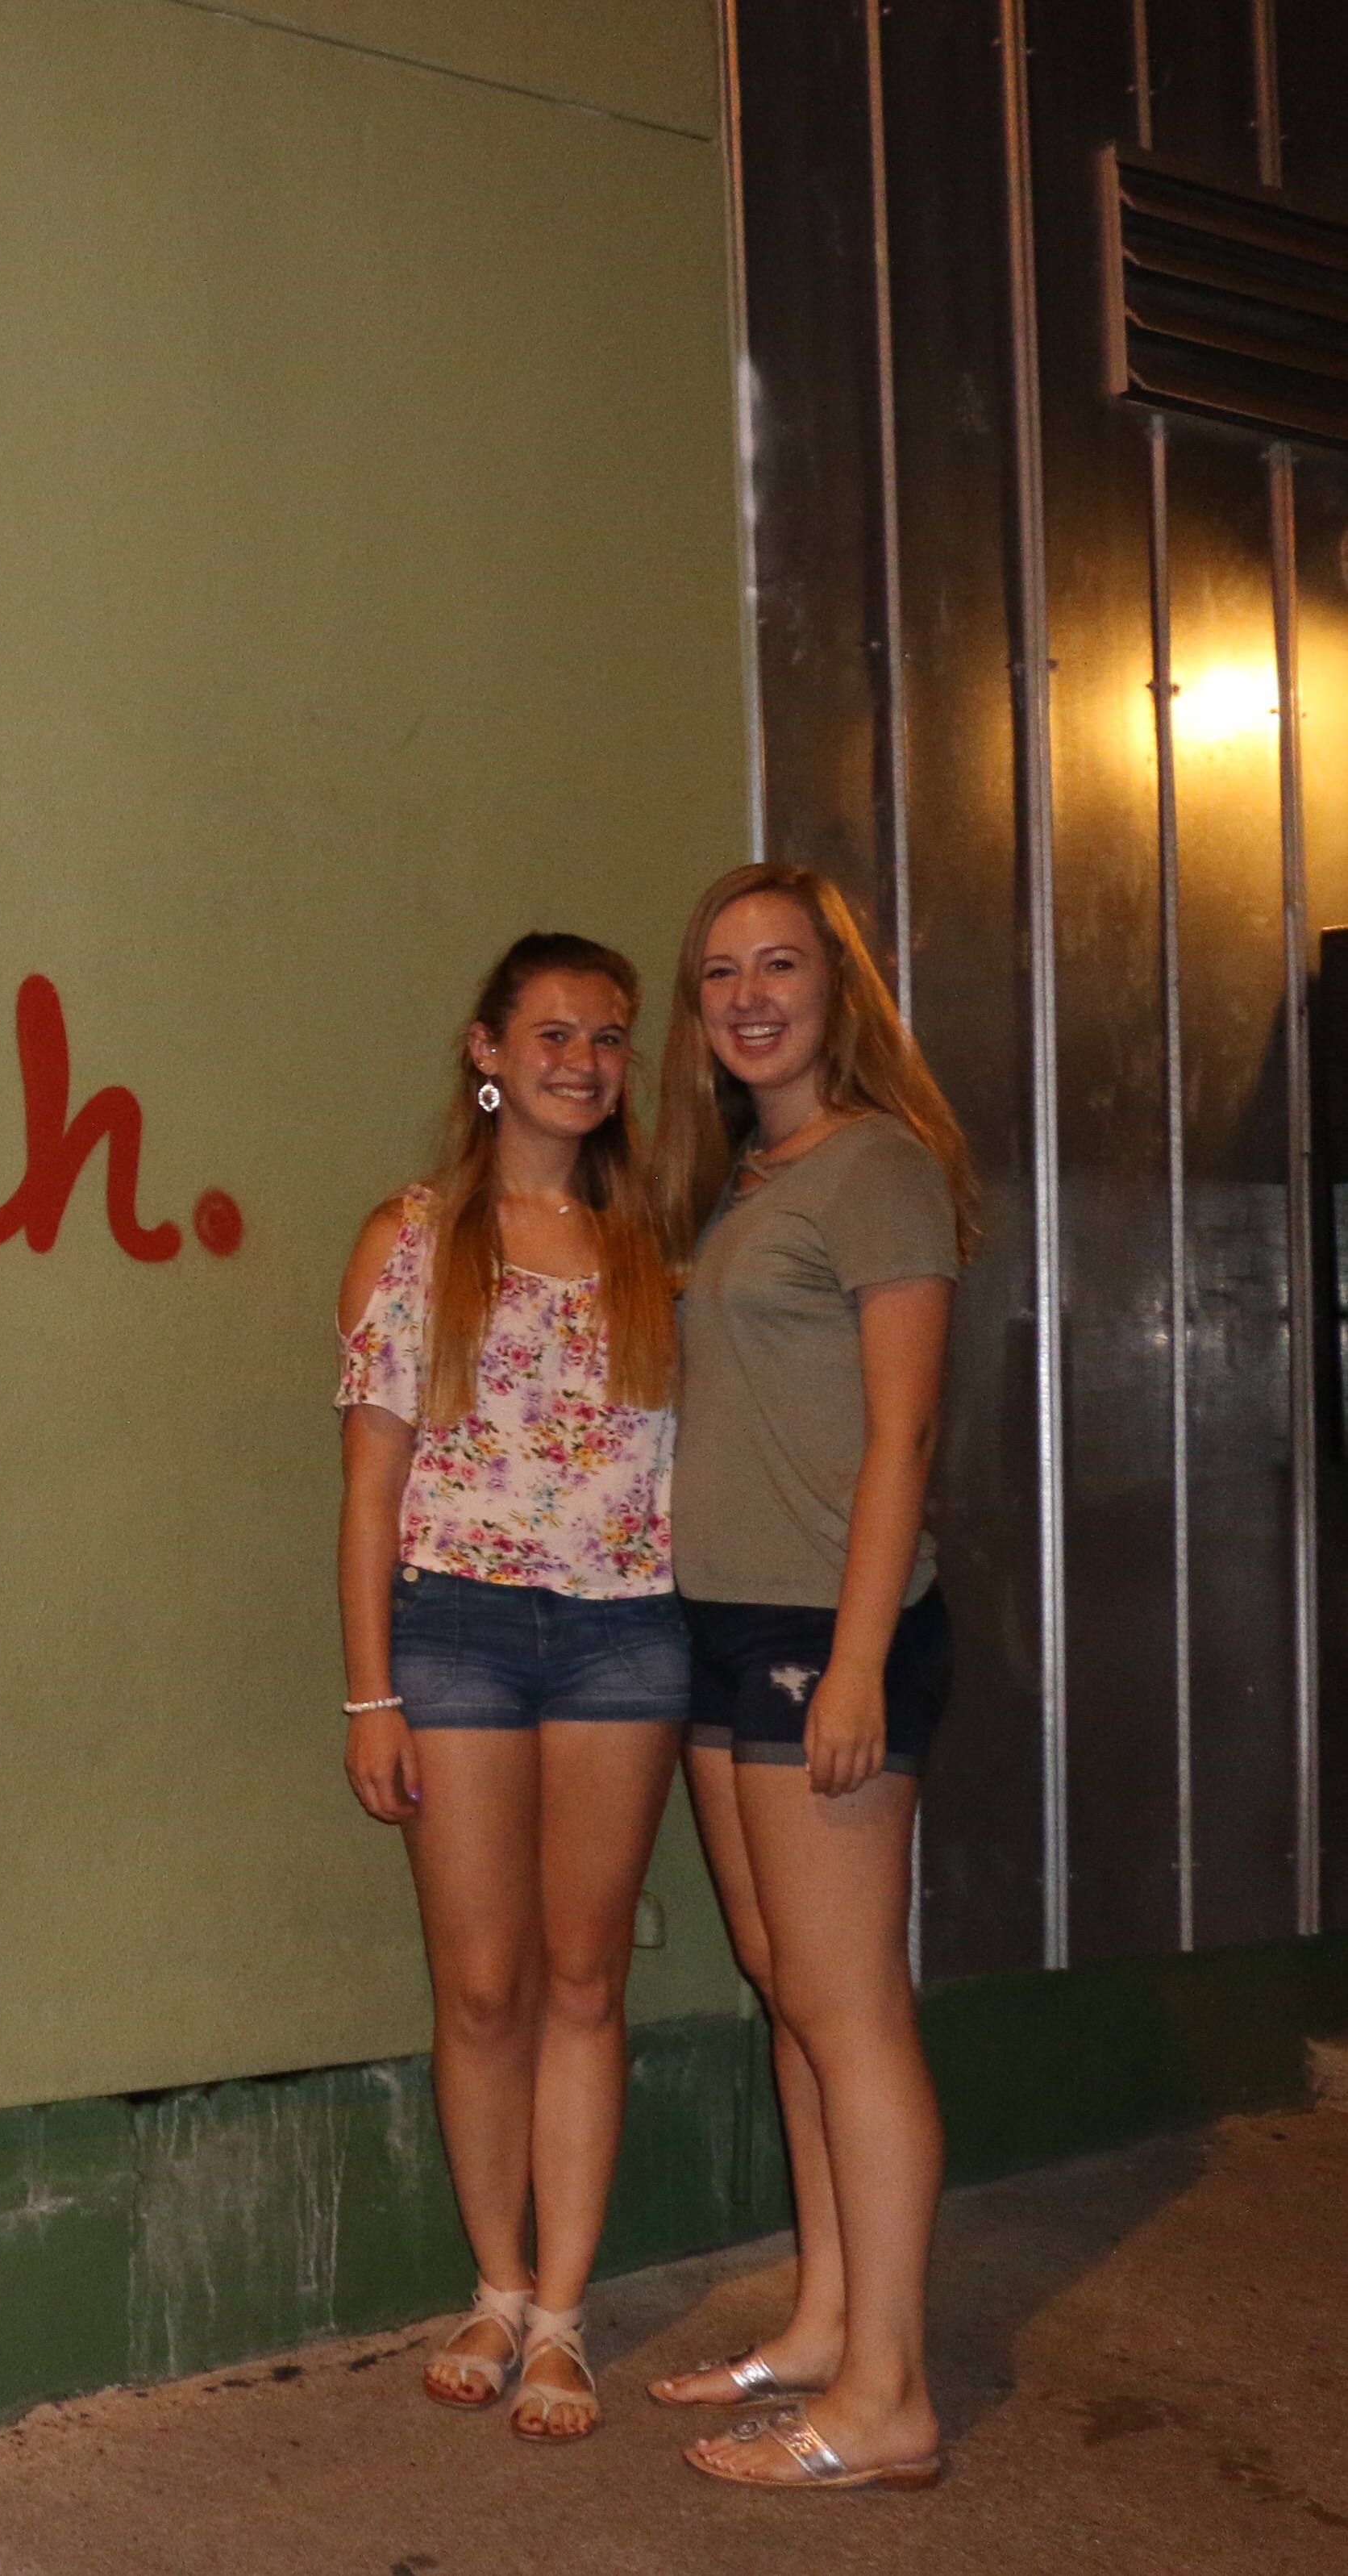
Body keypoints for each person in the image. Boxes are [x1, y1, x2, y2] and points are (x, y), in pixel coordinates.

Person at [640, 864, 973, 2493]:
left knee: (849, 2007)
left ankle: (889, 2396)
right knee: (790, 1985)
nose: (748, 996)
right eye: (720, 974)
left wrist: (850, 1664)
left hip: (824, 1632)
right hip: (723, 1625)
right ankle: (829, 2321)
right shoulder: (741, 1178)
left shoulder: (878, 1168)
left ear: (837, 986)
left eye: (779, 965)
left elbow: (902, 1434)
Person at [336, 932, 684, 2445]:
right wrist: (370, 1694)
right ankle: (494, 2283)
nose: (583, 1062)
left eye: (607, 1037)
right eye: (552, 1033)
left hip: (626, 1633)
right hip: (457, 1630)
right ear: (487, 1050)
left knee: (584, 1977)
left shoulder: (656, 1242)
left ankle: (561, 2320)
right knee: (481, 1984)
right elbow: (369, 1485)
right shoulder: (413, 1236)